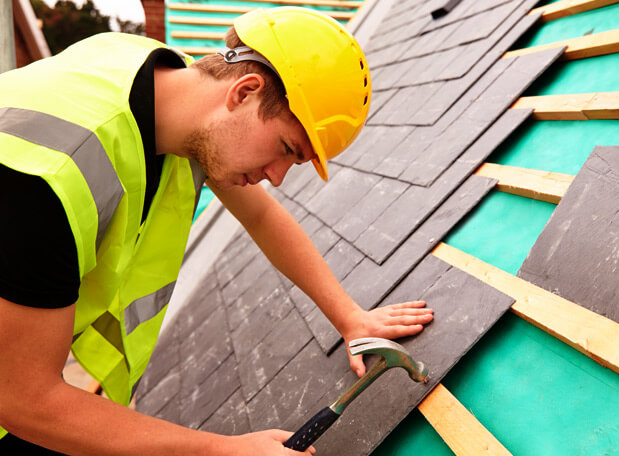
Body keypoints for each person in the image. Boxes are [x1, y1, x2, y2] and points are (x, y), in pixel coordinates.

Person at [0, 7, 433, 455]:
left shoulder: (161, 82)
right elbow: (24, 399)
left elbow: (262, 217)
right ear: (245, 91)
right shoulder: (44, 179)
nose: (278, 177)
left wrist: (350, 317)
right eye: (286, 148)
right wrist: (218, 450)